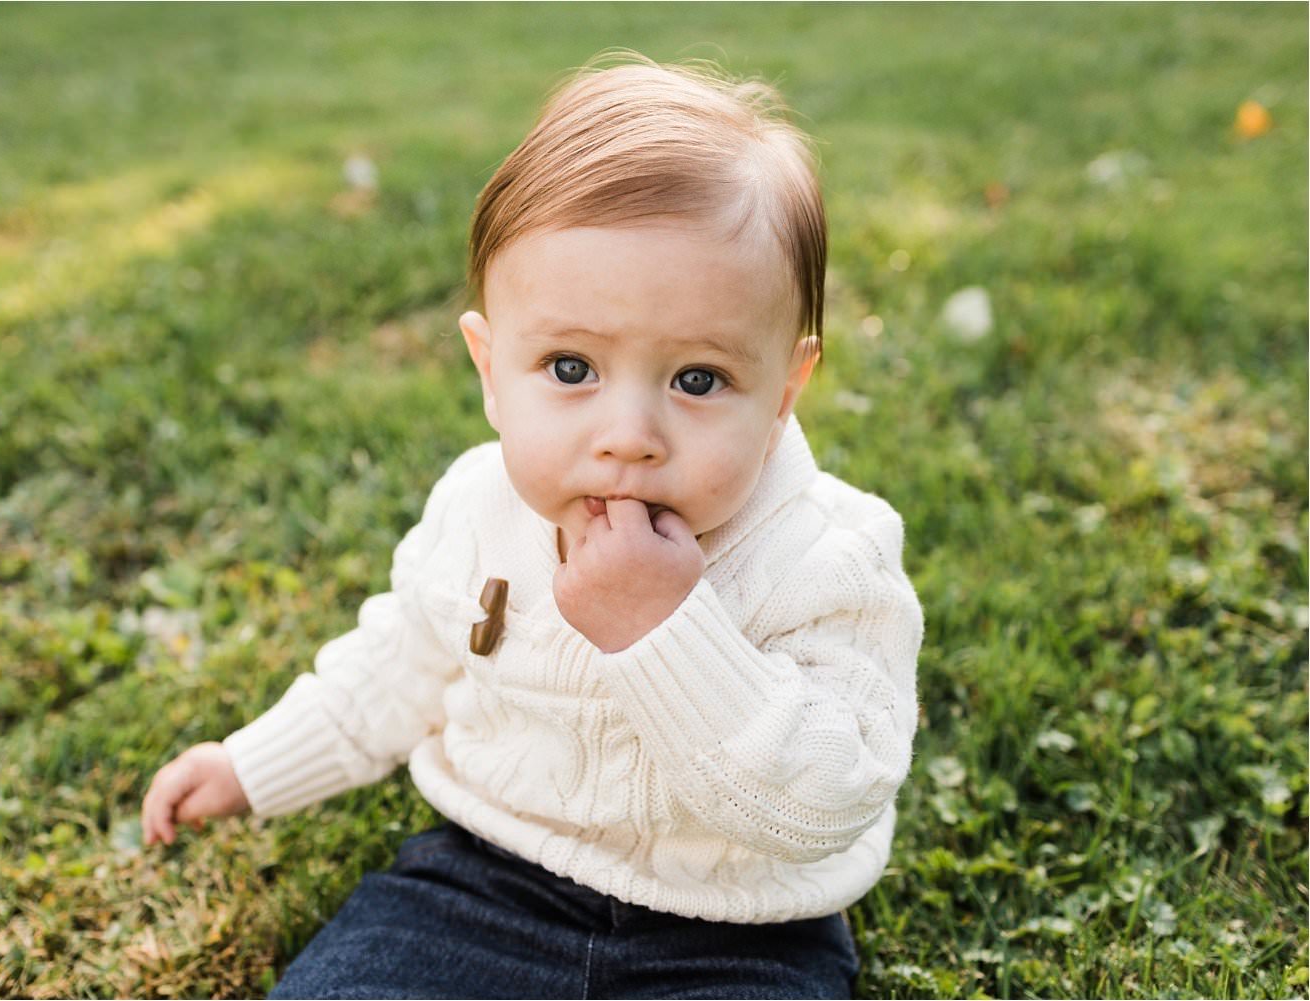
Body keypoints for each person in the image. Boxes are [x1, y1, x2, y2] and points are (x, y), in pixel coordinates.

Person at [142, 53, 922, 1000]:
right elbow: (397, 664)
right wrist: (252, 763)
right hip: (481, 883)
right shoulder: (478, 508)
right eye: (568, 367)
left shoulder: (831, 557)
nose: (627, 438)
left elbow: (830, 798)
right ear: (489, 371)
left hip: (741, 930)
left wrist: (669, 634)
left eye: (698, 380)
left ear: (786, 392)